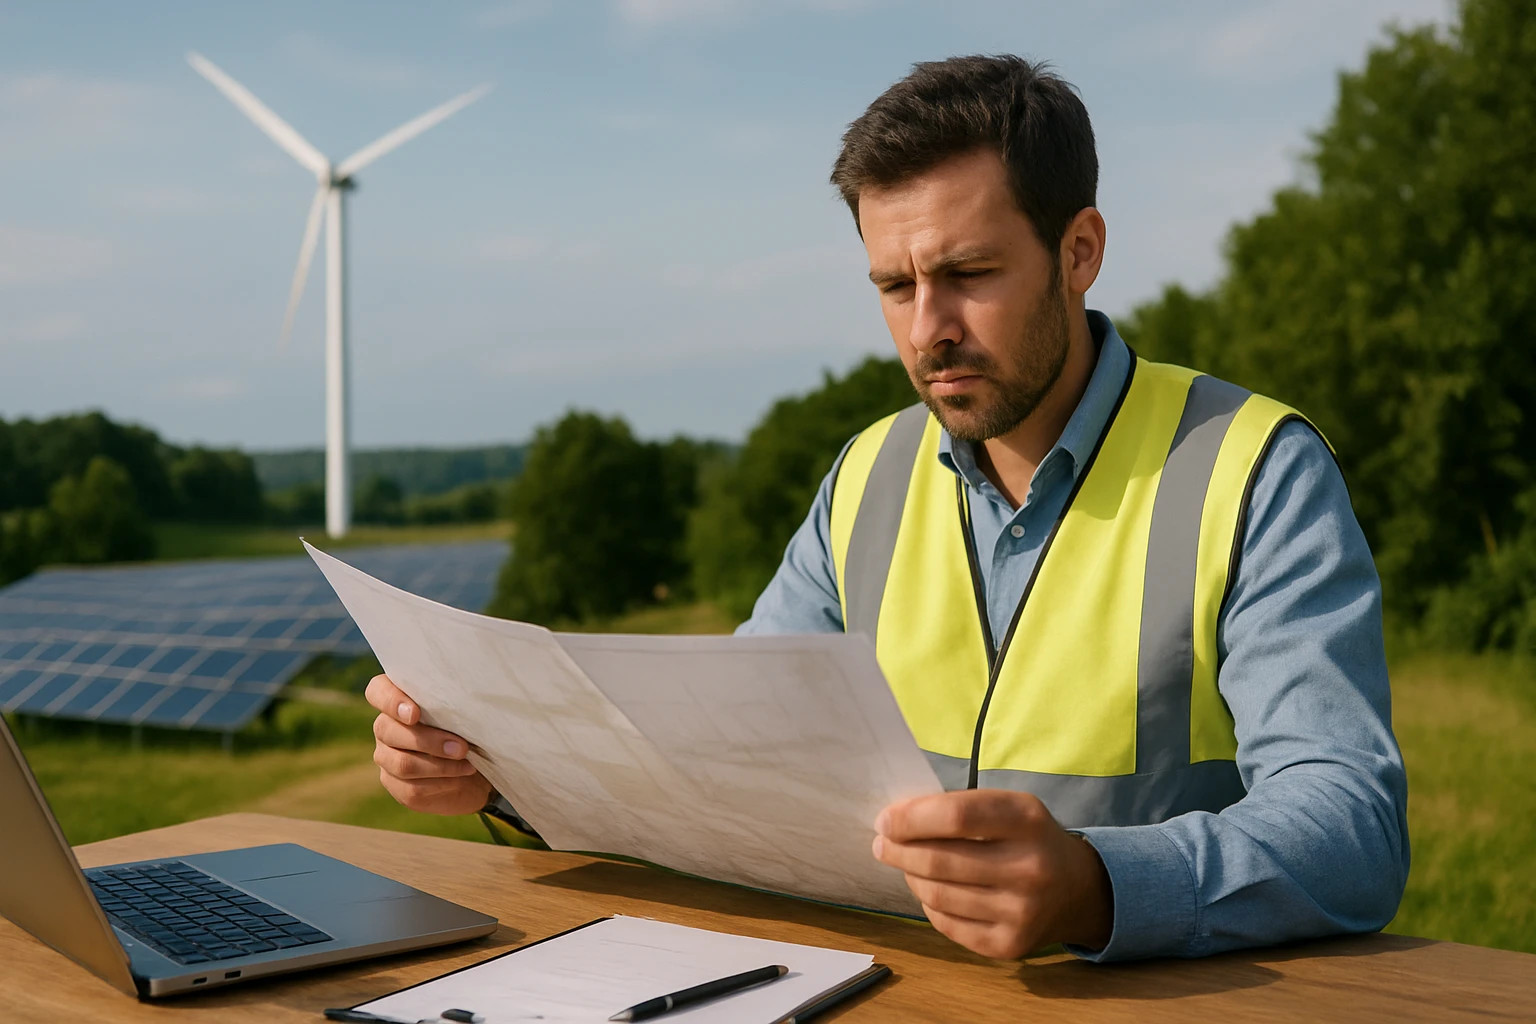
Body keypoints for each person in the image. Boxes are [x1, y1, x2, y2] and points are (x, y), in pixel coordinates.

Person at [364, 54, 1409, 963]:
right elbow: (720, 768)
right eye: (894, 286)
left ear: (1080, 250)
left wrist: (1097, 885)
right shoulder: (865, 474)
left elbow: (1351, 827)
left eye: (967, 273)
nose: (928, 329)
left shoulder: (1254, 467)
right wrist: (494, 773)